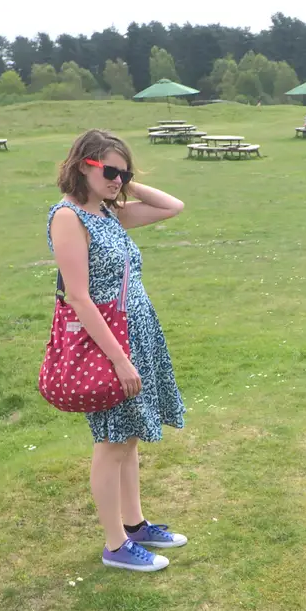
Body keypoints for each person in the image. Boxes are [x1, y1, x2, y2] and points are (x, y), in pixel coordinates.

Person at [47, 129, 188, 572]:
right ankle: (115, 546)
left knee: (128, 437)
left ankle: (135, 524)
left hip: (134, 330)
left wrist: (123, 184)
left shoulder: (107, 212)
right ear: (82, 165)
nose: (117, 180)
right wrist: (119, 359)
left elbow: (172, 207)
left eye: (123, 172)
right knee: (112, 440)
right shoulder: (69, 218)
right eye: (109, 170)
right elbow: (78, 297)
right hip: (108, 342)